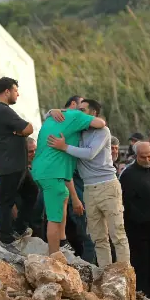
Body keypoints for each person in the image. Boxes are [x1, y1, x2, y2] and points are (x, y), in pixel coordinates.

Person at [46, 99, 129, 267]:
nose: (78, 112)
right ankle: (106, 273)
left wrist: (65, 147)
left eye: (83, 110)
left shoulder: (103, 131)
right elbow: (55, 115)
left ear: (93, 114)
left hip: (107, 186)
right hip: (89, 189)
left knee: (117, 234)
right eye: (78, 109)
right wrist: (51, 111)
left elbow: (90, 153)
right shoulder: (79, 130)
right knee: (98, 237)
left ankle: (123, 273)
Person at [32, 99, 105, 255]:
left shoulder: (55, 117)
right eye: (80, 107)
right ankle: (54, 256)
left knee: (64, 197)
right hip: (52, 174)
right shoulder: (77, 116)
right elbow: (100, 124)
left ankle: (63, 241)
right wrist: (88, 117)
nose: (80, 110)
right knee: (54, 218)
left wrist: (52, 110)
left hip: (44, 171)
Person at [0, 77, 37, 253]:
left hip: (17, 165)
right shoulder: (1, 110)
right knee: (6, 202)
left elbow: (23, 130)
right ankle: (6, 239)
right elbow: (29, 128)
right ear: (7, 91)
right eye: (15, 90)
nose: (18, 94)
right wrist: (20, 131)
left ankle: (19, 228)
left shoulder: (2, 110)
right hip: (10, 165)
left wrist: (18, 132)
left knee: (32, 191)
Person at [121, 142, 150, 300]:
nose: (148, 159)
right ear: (136, 156)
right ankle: (143, 294)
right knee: (142, 262)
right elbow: (127, 203)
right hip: (138, 229)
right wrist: (142, 219)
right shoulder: (128, 175)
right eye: (143, 157)